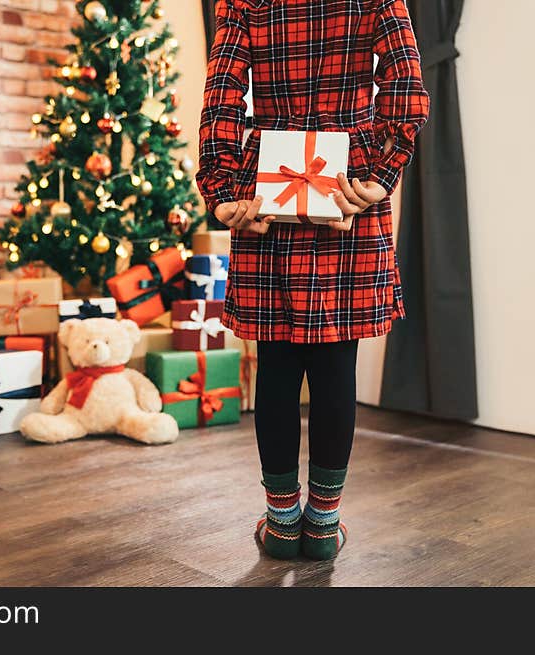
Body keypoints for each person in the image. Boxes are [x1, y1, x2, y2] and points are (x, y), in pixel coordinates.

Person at [196, 0, 430, 560]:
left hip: (266, 189)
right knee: (334, 366)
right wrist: (375, 171)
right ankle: (322, 526)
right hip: (344, 180)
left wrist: (224, 188)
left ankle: (281, 522)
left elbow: (222, 100)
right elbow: (407, 92)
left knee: (276, 364)